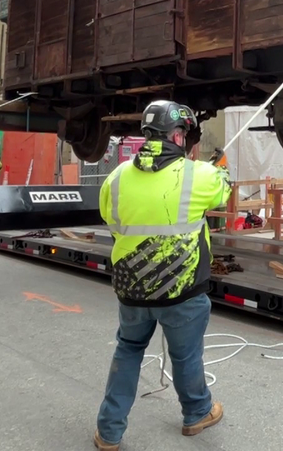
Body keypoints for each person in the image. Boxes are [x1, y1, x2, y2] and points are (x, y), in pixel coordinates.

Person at [93, 100, 231, 450]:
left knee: (128, 351)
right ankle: (197, 412)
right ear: (178, 135)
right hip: (182, 292)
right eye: (185, 133)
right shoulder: (198, 175)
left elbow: (112, 221)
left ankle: (109, 432)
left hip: (131, 291)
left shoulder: (116, 177)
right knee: (186, 356)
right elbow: (223, 191)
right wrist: (219, 167)